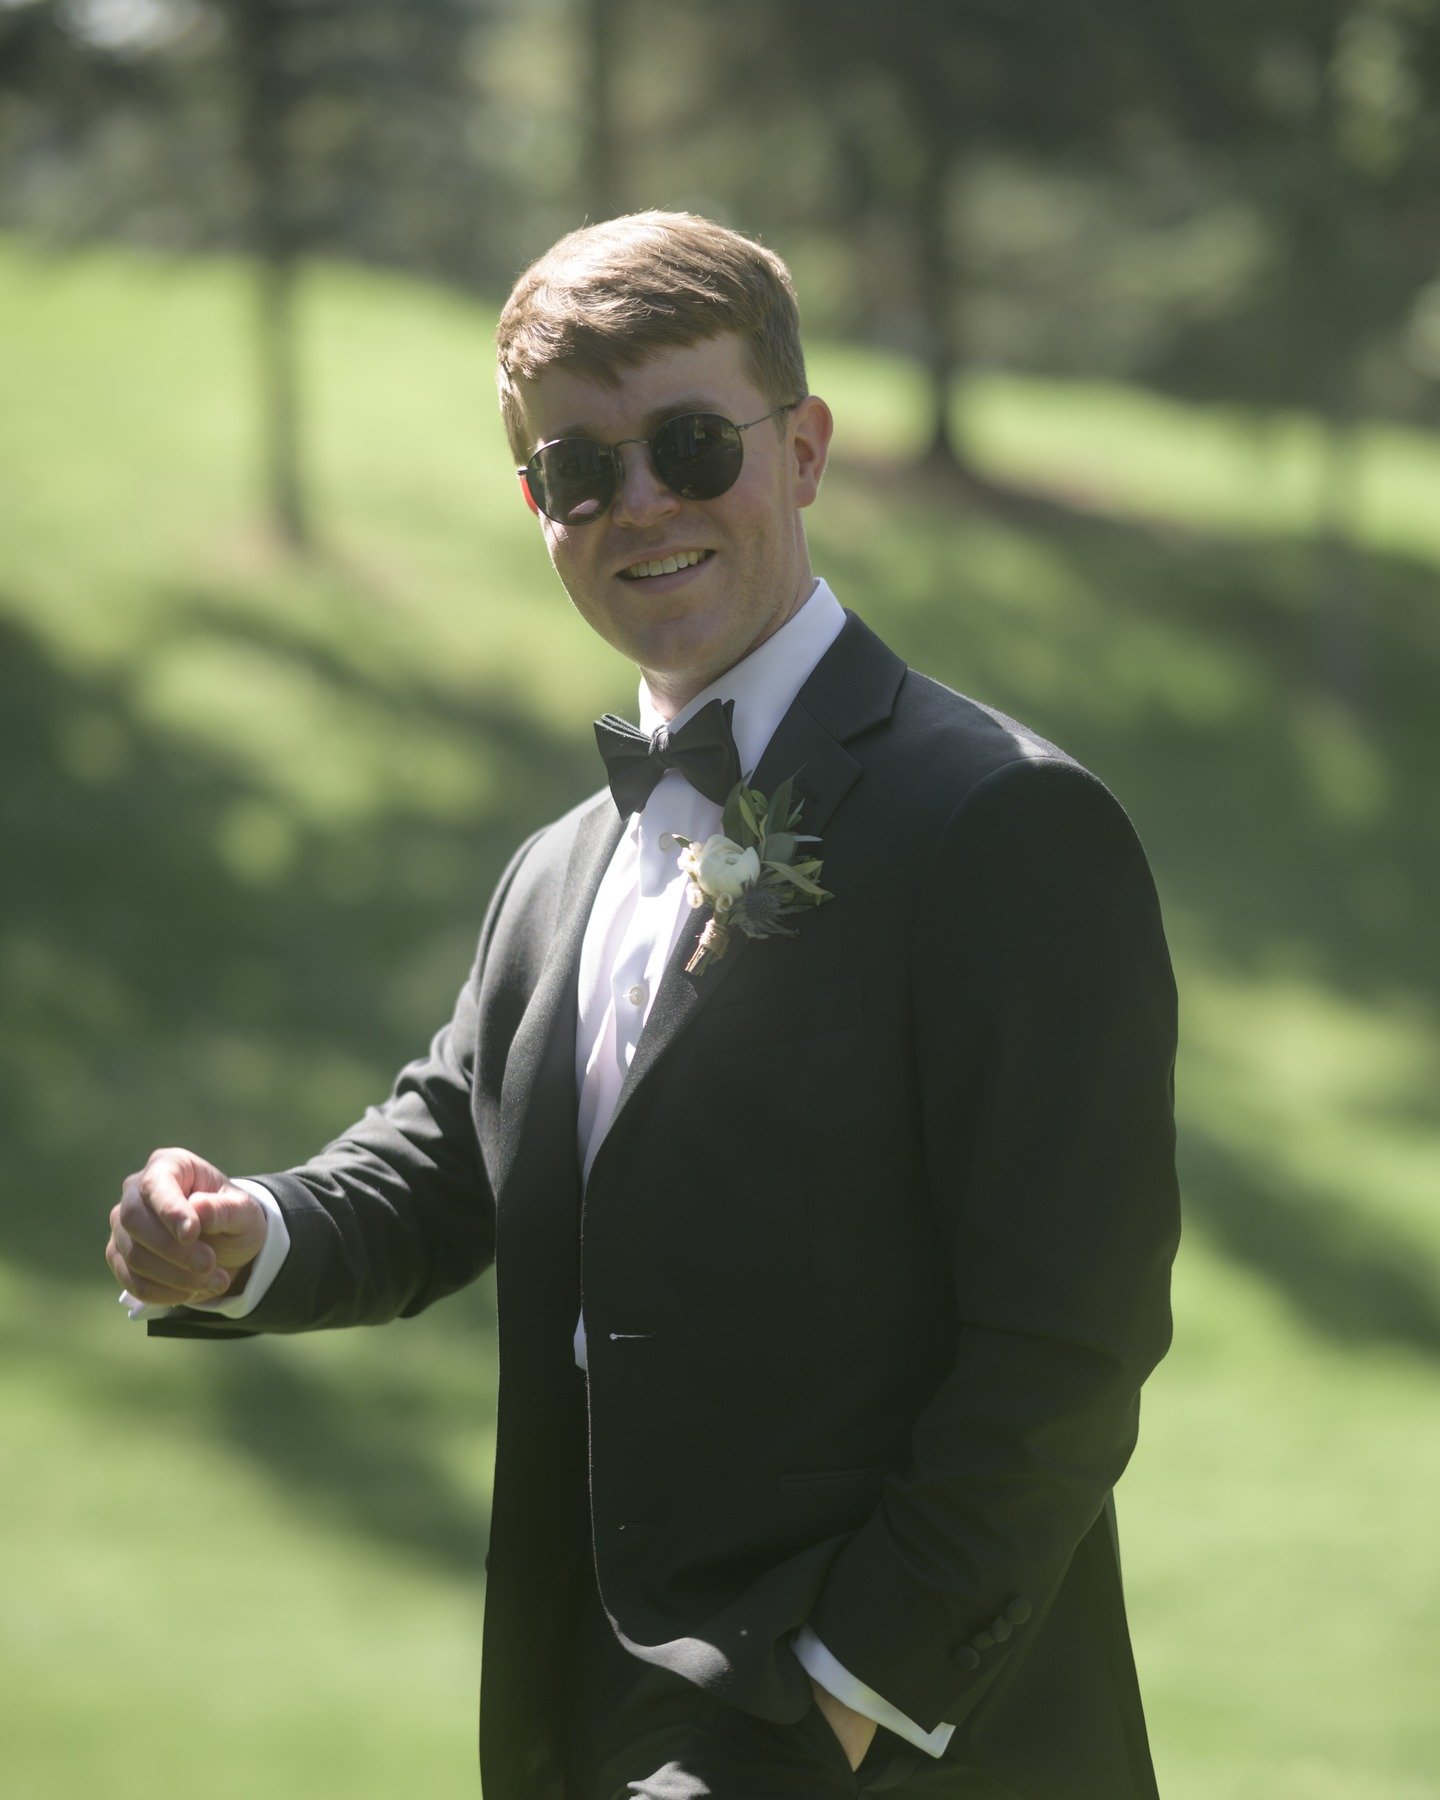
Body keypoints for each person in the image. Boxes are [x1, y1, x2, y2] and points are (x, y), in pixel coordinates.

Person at [106, 211, 1181, 1800]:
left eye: (690, 443)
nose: (641, 503)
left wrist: (837, 1705)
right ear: (537, 503)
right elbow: (446, 1160)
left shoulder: (1003, 823)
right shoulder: (560, 867)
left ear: (804, 448)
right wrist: (244, 1237)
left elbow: (1069, 1345)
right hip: (590, 1724)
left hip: (888, 1741)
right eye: (577, 469)